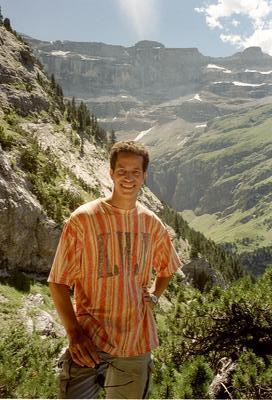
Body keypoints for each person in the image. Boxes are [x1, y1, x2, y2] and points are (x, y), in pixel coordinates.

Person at [48, 140, 182, 399]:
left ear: (144, 176)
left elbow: (167, 268)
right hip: (89, 340)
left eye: (135, 172)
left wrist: (153, 297)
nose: (128, 178)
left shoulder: (151, 223)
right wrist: (74, 334)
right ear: (111, 173)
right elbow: (58, 282)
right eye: (122, 171)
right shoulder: (83, 219)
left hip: (135, 343)